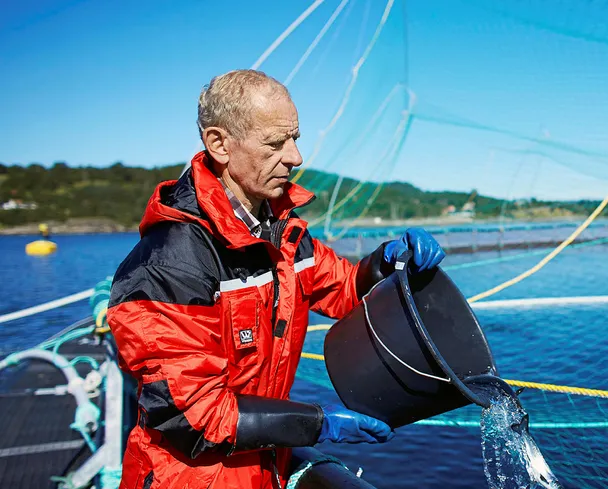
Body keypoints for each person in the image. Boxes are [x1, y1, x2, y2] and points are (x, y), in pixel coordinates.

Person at [106, 69, 446, 489]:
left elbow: (342, 288)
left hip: (265, 467)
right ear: (219, 144)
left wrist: (387, 264)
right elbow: (190, 414)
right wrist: (317, 425)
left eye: (295, 138)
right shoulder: (169, 265)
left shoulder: (280, 232)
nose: (295, 157)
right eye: (275, 143)